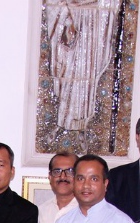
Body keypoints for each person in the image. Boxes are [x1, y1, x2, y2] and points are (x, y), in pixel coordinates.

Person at [45, 0, 118, 131]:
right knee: (69, 71)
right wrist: (67, 19)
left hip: (93, 21)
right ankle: (62, 121)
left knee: (86, 74)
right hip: (70, 15)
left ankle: (82, 125)